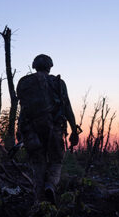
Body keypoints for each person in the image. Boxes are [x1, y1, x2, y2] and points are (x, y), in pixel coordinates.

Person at [16, 54, 79, 203]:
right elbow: (67, 107)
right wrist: (74, 130)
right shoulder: (58, 83)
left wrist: (19, 130)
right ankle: (50, 185)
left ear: (34, 65)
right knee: (56, 161)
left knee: (38, 163)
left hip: (31, 130)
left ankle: (39, 199)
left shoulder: (24, 82)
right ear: (50, 67)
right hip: (54, 129)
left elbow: (23, 109)